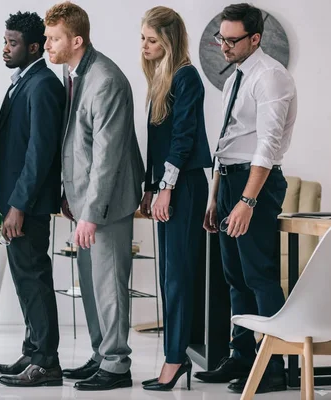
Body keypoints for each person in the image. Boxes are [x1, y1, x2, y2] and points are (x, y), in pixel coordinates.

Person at [43, 1, 145, 391]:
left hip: (108, 201)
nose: (47, 45)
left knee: (108, 284)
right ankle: (102, 354)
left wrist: (92, 213)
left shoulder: (105, 79)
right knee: (90, 283)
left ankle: (118, 364)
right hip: (84, 201)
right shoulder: (75, 74)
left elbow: (107, 155)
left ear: (77, 39)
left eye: (54, 39)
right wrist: (72, 199)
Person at [198, 3, 297, 394]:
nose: (223, 45)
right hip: (229, 182)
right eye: (221, 37)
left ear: (255, 38)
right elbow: (228, 145)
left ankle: (273, 369)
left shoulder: (271, 77)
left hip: (256, 186)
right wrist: (215, 196)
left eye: (232, 39)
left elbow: (266, 149)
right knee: (234, 278)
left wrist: (247, 201)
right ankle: (243, 357)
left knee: (260, 276)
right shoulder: (235, 77)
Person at [138, 6, 212, 392]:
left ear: (168, 41)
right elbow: (157, 144)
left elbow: (183, 137)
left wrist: (166, 187)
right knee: (171, 275)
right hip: (167, 185)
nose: (145, 46)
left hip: (184, 186)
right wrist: (150, 188)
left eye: (152, 40)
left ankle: (175, 358)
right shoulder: (160, 80)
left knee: (178, 275)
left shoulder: (187, 77)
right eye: (144, 39)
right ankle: (175, 354)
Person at [0, 11, 65, 388]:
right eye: (5, 40)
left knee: (34, 278)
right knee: (24, 279)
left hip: (28, 205)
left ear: (34, 47)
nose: (5, 48)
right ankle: (33, 349)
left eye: (13, 42)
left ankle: (47, 362)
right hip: (13, 202)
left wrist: (18, 204)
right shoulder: (22, 82)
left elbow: (39, 152)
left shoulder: (44, 85)